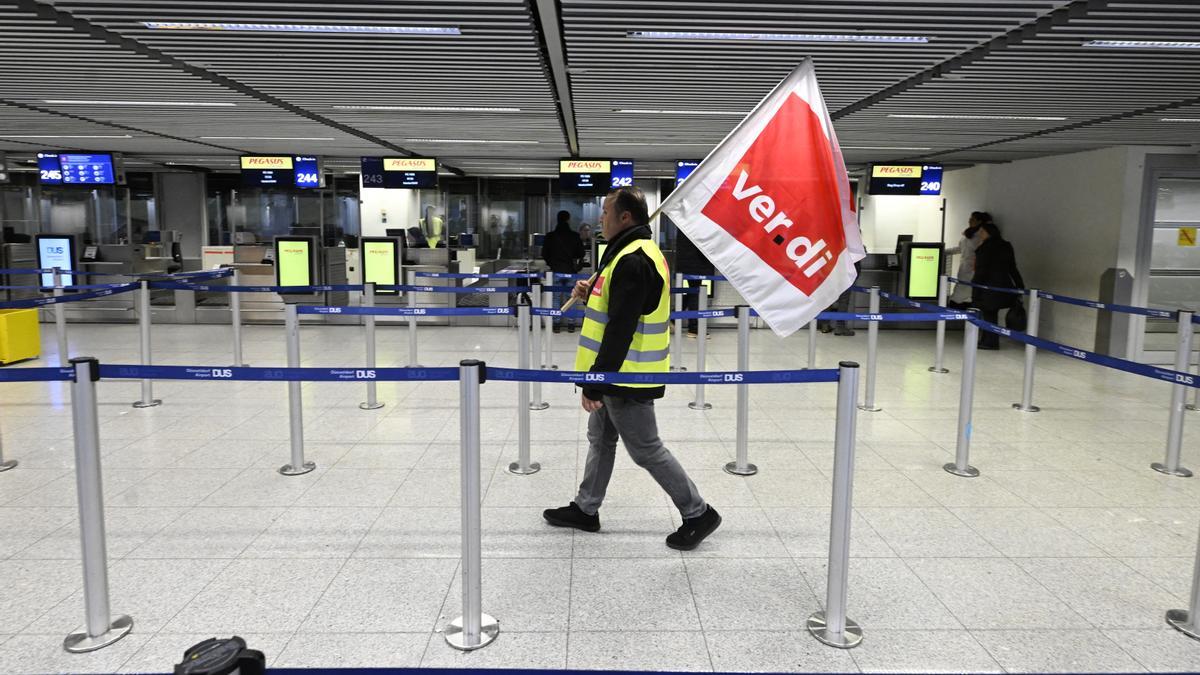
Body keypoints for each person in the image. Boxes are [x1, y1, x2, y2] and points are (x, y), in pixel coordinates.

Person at [543, 186, 721, 551]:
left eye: (606, 212)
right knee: (601, 438)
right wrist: (591, 290)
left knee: (645, 449)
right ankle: (586, 508)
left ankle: (697, 512)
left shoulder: (634, 258)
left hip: (626, 376)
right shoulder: (624, 252)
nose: (600, 219)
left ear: (625, 217)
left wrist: (597, 381)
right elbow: (617, 304)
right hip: (616, 372)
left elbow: (621, 326)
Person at [971, 220, 1024, 350]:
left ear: (989, 233)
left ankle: (990, 341)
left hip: (987, 286)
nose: (980, 234)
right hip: (1004, 285)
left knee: (989, 314)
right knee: (990, 313)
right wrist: (1020, 286)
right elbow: (1012, 267)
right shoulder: (1006, 246)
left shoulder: (985, 248)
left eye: (982, 232)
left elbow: (981, 270)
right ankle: (987, 339)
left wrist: (975, 288)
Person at [541, 210, 585, 332]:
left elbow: (544, 253)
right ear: (568, 219)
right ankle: (571, 324)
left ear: (557, 219)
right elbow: (581, 253)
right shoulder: (574, 236)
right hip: (570, 271)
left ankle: (556, 324)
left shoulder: (550, 236)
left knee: (555, 297)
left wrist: (552, 263)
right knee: (571, 297)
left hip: (556, 271)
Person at [674, 228, 714, 337]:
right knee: (695, 292)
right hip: (695, 262)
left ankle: (674, 317)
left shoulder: (685, 223)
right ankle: (694, 328)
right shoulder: (695, 225)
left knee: (693, 291)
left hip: (689, 262)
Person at [947, 212, 988, 308]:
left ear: (979, 221)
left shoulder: (980, 237)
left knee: (964, 295)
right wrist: (943, 251)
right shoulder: (967, 234)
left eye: (972, 219)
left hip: (973, 270)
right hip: (964, 269)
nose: (969, 221)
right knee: (961, 292)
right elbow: (960, 248)